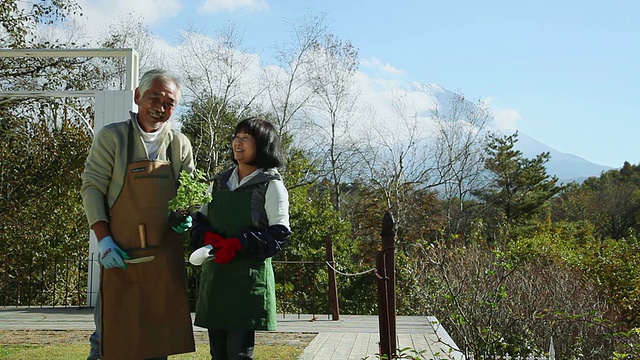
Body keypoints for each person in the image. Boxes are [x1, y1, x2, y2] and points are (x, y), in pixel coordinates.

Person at [80, 68, 196, 360]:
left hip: (164, 258)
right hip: (120, 253)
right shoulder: (112, 137)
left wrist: (188, 215)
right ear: (137, 96)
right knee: (110, 336)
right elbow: (92, 188)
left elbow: (192, 190)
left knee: (158, 340)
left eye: (169, 102)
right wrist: (104, 241)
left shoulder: (179, 145)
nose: (160, 107)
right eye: (154, 97)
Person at [189, 117, 291, 360]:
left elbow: (279, 234)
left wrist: (238, 244)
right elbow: (199, 222)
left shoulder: (271, 185)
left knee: (239, 354)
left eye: (247, 138)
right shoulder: (219, 183)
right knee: (218, 354)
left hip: (247, 283)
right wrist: (209, 238)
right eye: (237, 137)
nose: (238, 142)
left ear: (263, 146)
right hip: (217, 278)